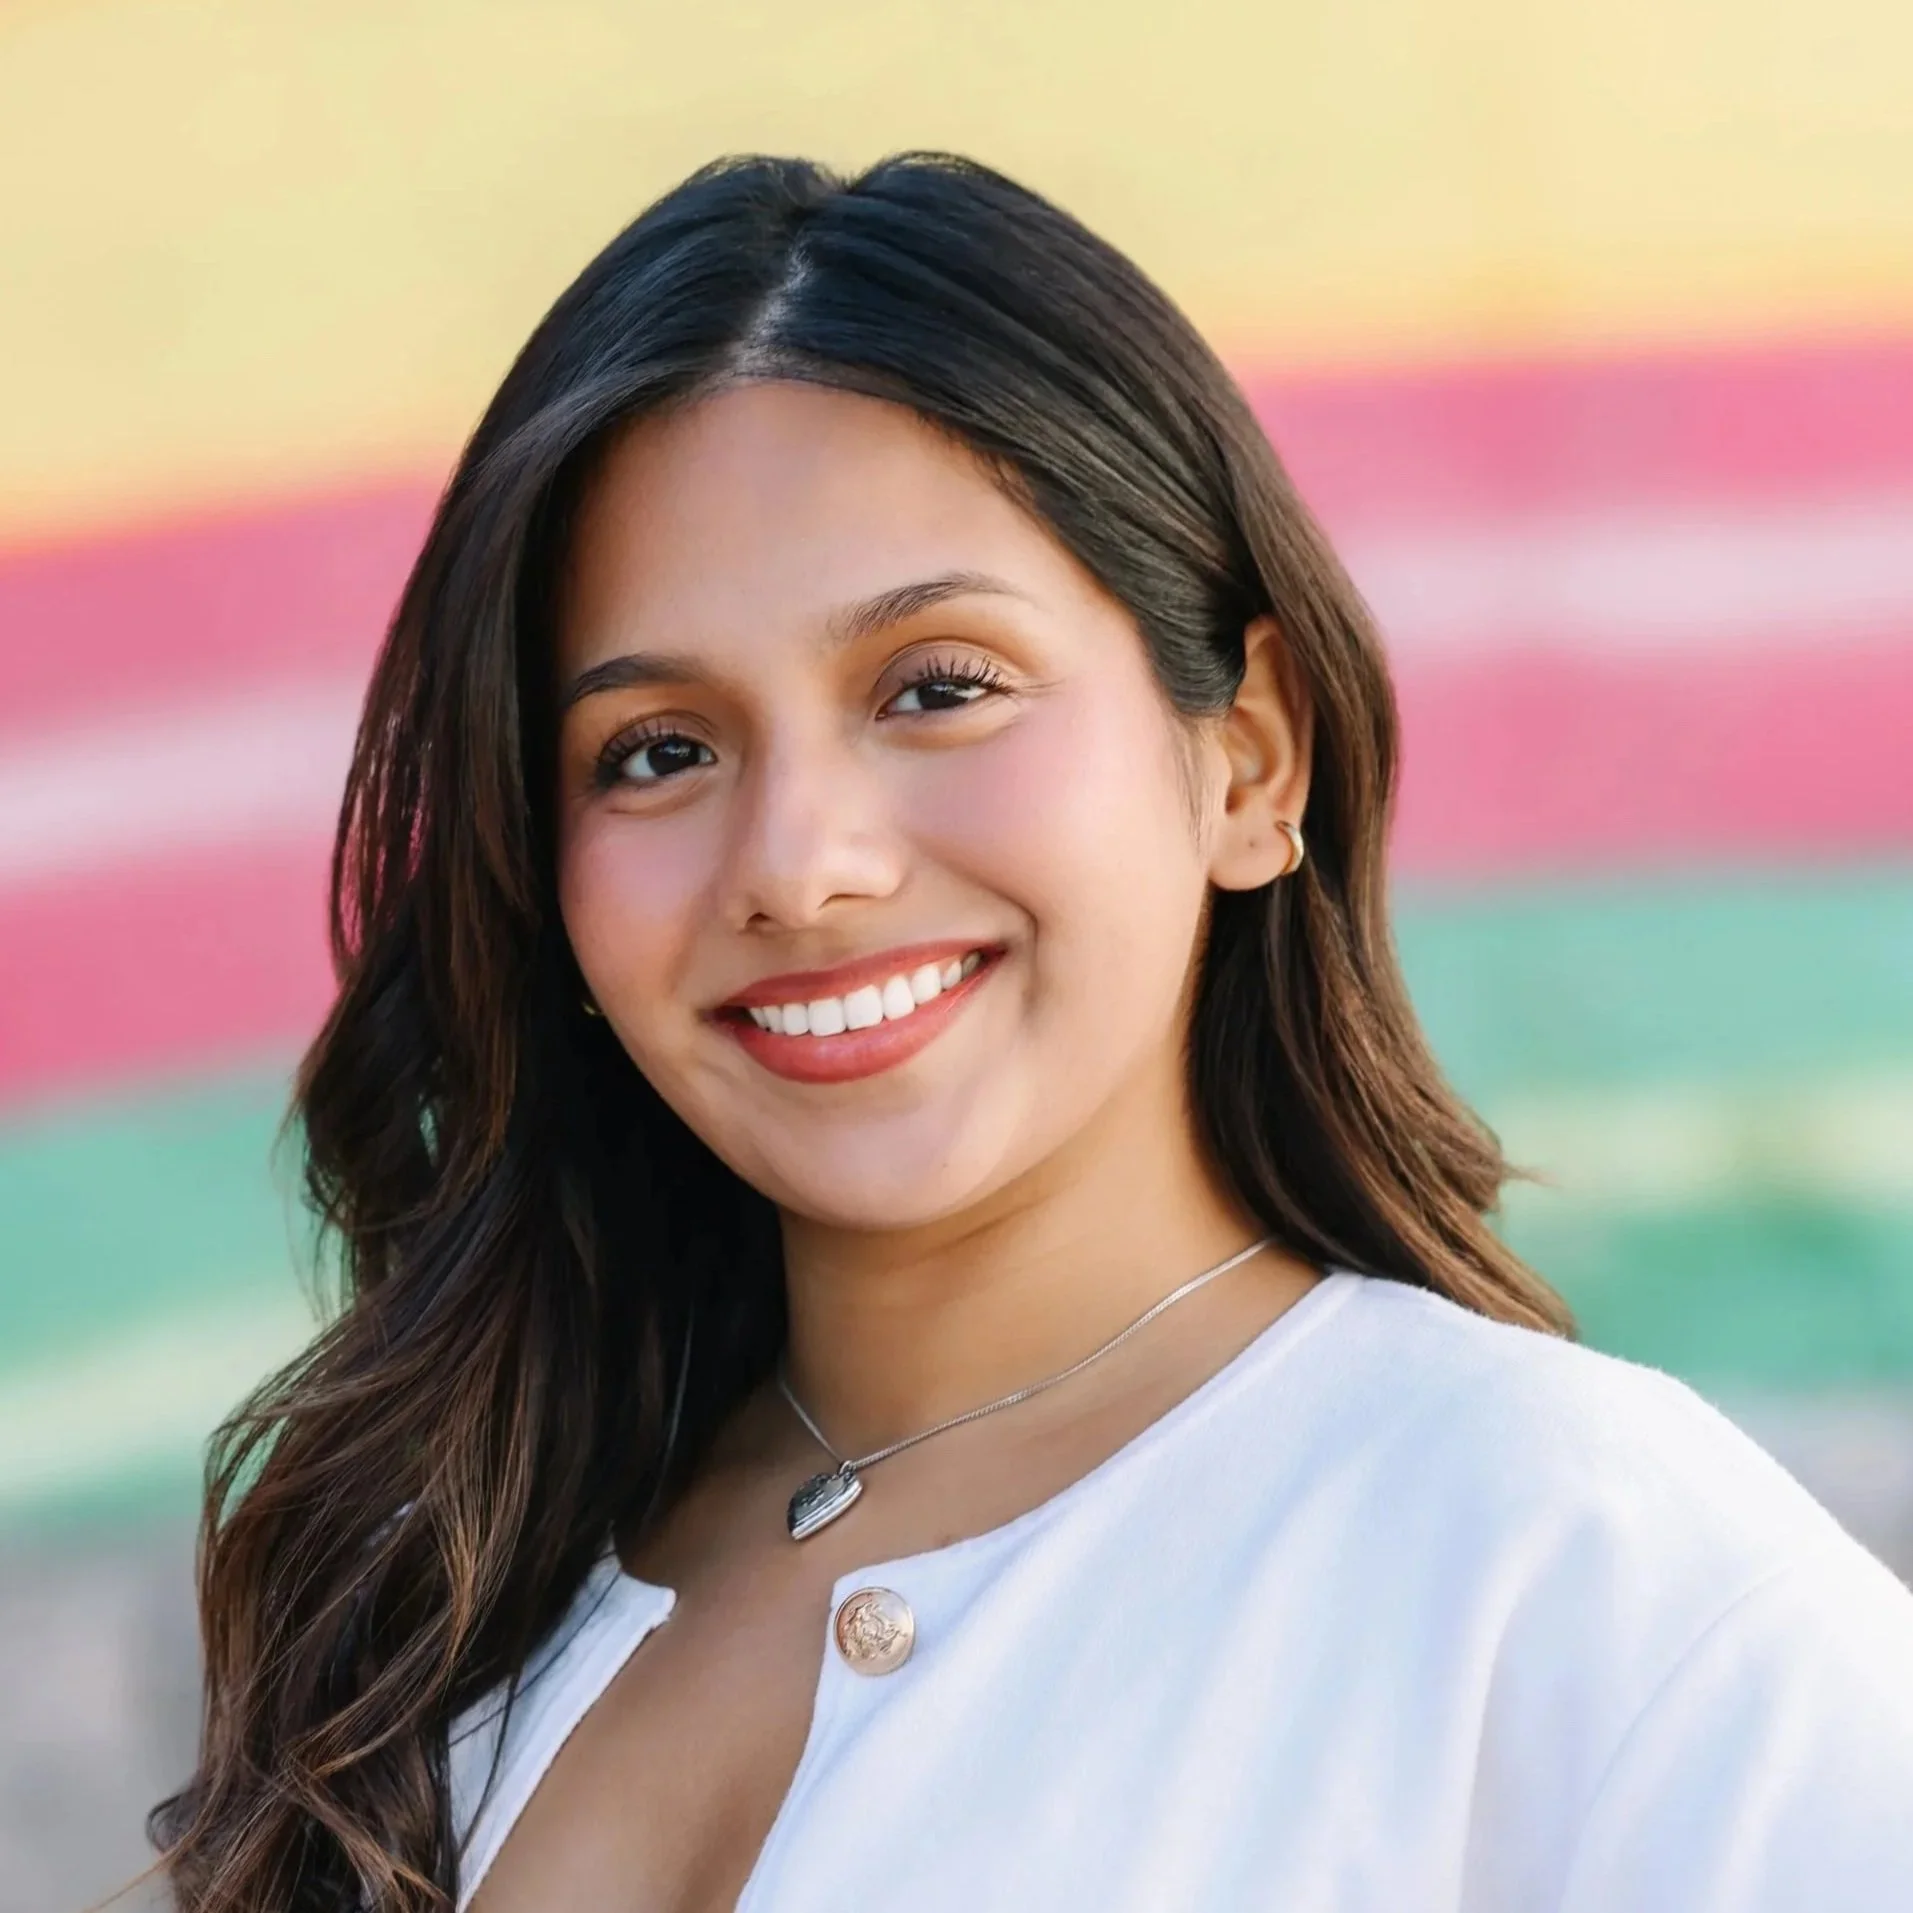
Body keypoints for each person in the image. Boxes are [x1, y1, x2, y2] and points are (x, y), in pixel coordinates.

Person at [154, 154, 1913, 1912]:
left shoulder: (1575, 1570)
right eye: (659, 751)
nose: (800, 867)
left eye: (939, 687)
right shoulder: (444, 1608)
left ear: (1251, 759)